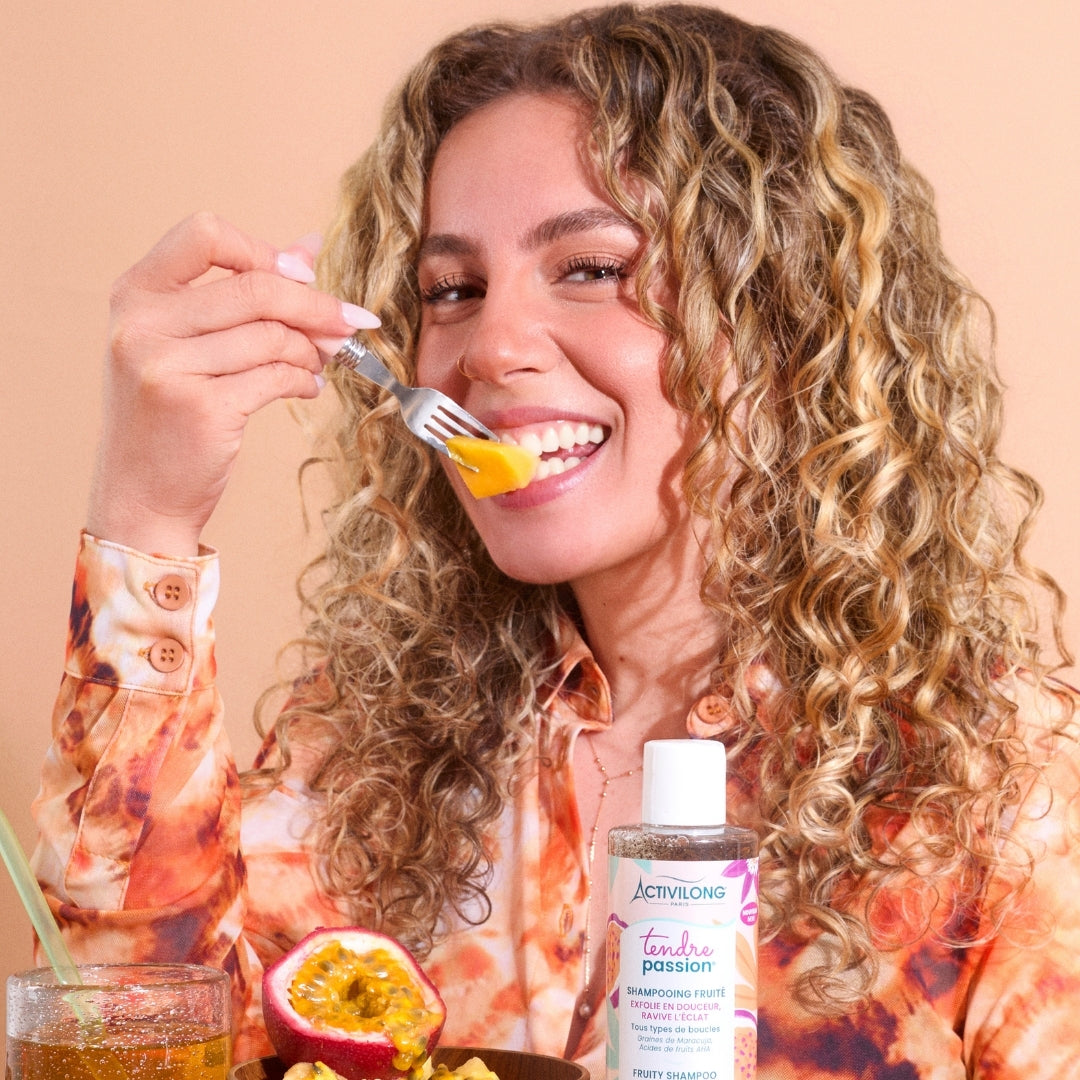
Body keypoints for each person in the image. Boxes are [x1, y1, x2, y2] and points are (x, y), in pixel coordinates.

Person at [31, 4, 1080, 1077]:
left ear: (785, 317)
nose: (488, 345)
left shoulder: (1012, 794)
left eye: (589, 268)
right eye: (453, 290)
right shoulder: (360, 757)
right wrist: (144, 524)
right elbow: (125, 1044)